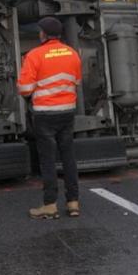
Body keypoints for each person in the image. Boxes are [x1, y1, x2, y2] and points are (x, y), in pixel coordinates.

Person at [17, 16, 82, 219]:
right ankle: (73, 203)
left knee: (48, 160)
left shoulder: (34, 55)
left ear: (43, 34)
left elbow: (25, 89)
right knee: (68, 157)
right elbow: (76, 81)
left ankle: (50, 205)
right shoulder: (72, 53)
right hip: (67, 112)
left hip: (45, 114)